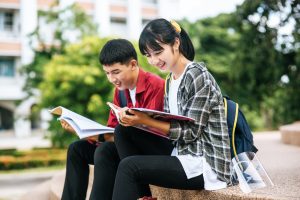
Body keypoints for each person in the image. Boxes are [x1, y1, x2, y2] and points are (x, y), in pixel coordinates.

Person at [112, 18, 232, 200]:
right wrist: (138, 120)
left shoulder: (197, 75)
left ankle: (144, 196)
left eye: (158, 52)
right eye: (148, 55)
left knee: (129, 166)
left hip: (206, 163)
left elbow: (191, 132)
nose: (153, 60)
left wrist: (145, 120)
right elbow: (170, 126)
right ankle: (145, 197)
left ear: (176, 43)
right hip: (182, 153)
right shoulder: (170, 80)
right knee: (123, 131)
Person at [61, 39, 173, 200]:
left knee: (106, 149)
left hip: (153, 151)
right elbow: (112, 133)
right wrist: (82, 131)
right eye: (107, 73)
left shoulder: (155, 86)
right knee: (76, 149)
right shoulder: (120, 91)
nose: (112, 78)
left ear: (133, 65)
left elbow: (153, 134)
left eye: (116, 72)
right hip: (124, 147)